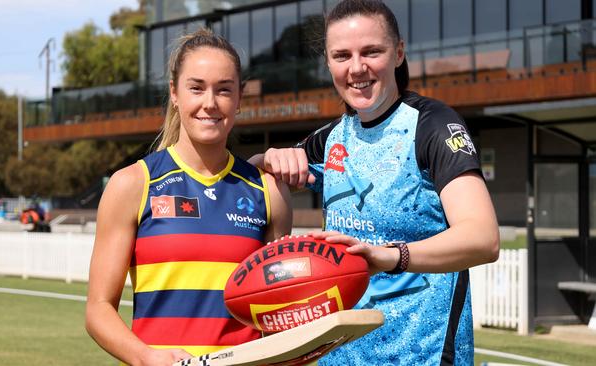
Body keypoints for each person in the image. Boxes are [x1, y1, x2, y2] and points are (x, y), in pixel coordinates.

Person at [250, 1, 500, 365]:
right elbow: (254, 177)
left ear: (398, 53)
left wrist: (388, 257)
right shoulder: (333, 136)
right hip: (338, 355)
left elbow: (483, 237)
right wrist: (268, 159)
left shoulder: (432, 126)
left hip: (422, 354)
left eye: (372, 52)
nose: (357, 68)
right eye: (342, 56)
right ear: (329, 63)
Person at [86, 28, 293, 366]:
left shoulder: (268, 191)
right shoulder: (133, 184)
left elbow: (276, 310)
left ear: (240, 98)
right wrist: (145, 357)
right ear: (175, 94)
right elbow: (98, 309)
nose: (209, 103)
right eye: (196, 88)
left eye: (224, 90)